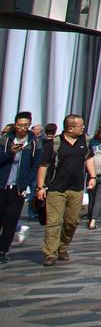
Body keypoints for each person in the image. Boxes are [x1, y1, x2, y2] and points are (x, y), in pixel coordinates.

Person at [36, 113, 97, 265]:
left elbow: (89, 158)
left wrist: (93, 176)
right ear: (69, 128)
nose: (83, 128)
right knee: (53, 222)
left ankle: (63, 246)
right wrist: (41, 186)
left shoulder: (85, 141)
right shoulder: (55, 143)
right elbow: (43, 165)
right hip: (56, 188)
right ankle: (50, 253)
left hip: (76, 188)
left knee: (72, 221)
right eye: (80, 126)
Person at [0, 112, 40, 262]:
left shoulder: (34, 142)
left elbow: (35, 165)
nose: (22, 128)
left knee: (11, 220)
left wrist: (27, 184)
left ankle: (3, 250)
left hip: (18, 188)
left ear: (29, 125)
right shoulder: (5, 139)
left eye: (25, 125)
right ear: (15, 124)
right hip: (2, 185)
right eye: (19, 125)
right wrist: (10, 153)